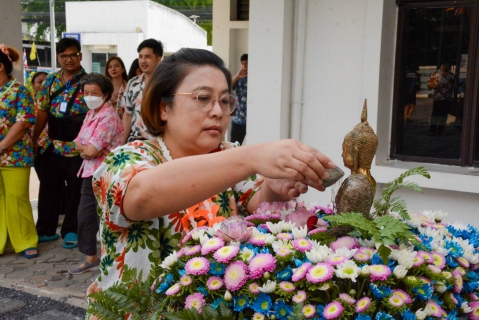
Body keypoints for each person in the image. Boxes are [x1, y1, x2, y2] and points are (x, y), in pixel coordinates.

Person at [87, 48, 334, 304]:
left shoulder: (227, 154)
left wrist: (274, 188)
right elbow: (140, 196)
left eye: (225, 101)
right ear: (163, 108)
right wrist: (252, 157)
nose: (218, 111)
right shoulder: (126, 158)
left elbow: (256, 202)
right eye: (203, 98)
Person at [32, 37, 88, 248]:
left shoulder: (89, 80)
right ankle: (45, 229)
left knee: (76, 190)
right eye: (64, 56)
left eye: (73, 55)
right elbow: (42, 112)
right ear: (58, 58)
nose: (69, 60)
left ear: (80, 56)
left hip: (78, 145)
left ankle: (71, 230)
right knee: (48, 188)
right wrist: (34, 139)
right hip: (52, 143)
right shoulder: (50, 81)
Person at [69, 74, 123, 274]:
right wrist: (88, 148)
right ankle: (91, 256)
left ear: (106, 95)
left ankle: (113, 261)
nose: (89, 97)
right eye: (86, 93)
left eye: (94, 93)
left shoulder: (108, 117)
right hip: (90, 171)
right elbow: (78, 144)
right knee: (86, 216)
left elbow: (90, 151)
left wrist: (89, 149)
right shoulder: (91, 114)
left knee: (107, 218)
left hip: (105, 174)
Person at [0, 44, 38, 259]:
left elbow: (23, 122)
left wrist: (2, 146)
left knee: (17, 198)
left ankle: (25, 241)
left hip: (14, 155)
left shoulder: (19, 91)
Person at [122, 39, 163, 143]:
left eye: (147, 57)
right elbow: (127, 115)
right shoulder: (132, 83)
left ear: (158, 59)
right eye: (140, 56)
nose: (143, 61)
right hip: (134, 141)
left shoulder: (166, 83)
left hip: (159, 142)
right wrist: (121, 144)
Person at [427, 62, 455, 136]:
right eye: (446, 65)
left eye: (449, 66)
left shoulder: (451, 76)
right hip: (438, 98)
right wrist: (434, 86)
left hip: (447, 98)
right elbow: (429, 84)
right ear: (442, 66)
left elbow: (454, 85)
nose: (447, 67)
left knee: (444, 115)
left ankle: (441, 130)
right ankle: (433, 130)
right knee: (435, 115)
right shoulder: (436, 74)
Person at [230, 53, 248, 145]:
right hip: (239, 120)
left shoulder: (256, 79)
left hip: (253, 120)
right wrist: (238, 75)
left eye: (247, 63)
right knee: (234, 145)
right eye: (243, 64)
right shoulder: (239, 79)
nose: (244, 66)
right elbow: (227, 86)